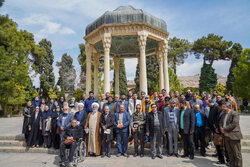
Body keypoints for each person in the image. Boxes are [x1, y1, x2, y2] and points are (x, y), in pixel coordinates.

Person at [220, 101, 243, 167]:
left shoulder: (235, 114)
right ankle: (232, 165)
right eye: (222, 107)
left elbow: (234, 124)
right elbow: (220, 123)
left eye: (224, 107)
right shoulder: (223, 114)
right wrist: (221, 129)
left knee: (237, 153)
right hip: (226, 136)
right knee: (230, 153)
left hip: (234, 136)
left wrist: (224, 129)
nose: (222, 108)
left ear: (228, 107)